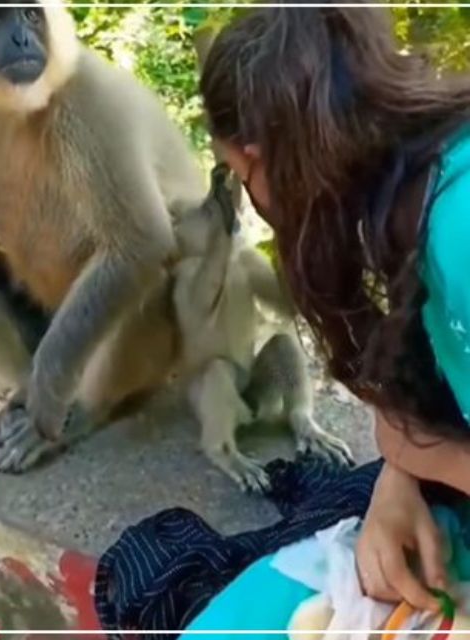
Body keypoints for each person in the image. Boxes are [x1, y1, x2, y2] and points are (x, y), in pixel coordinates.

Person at [180, 3, 470, 629]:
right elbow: (432, 392)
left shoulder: (458, 228)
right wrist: (398, 482)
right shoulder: (407, 199)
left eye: (243, 177)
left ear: (266, 159)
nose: (257, 208)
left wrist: (427, 457)